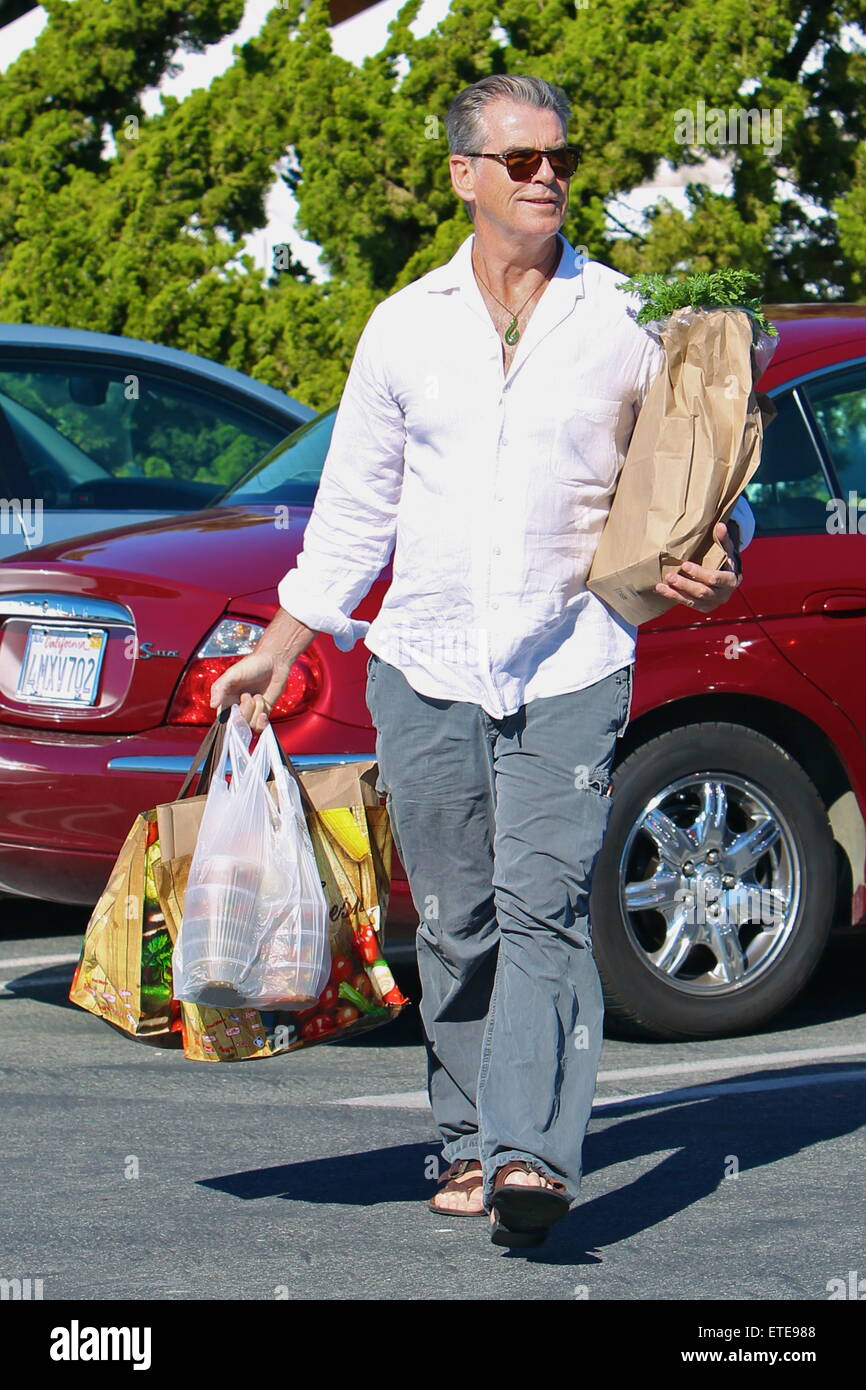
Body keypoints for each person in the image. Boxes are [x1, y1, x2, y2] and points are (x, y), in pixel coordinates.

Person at [210, 73, 753, 1248]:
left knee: (545, 908)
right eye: (519, 160)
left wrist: (717, 549)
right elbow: (352, 516)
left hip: (570, 660)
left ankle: (530, 1157)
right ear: (465, 176)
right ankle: (462, 1137)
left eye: (560, 155)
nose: (547, 174)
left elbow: (692, 481)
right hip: (424, 665)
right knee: (455, 920)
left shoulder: (624, 318)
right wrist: (279, 645)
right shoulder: (404, 327)